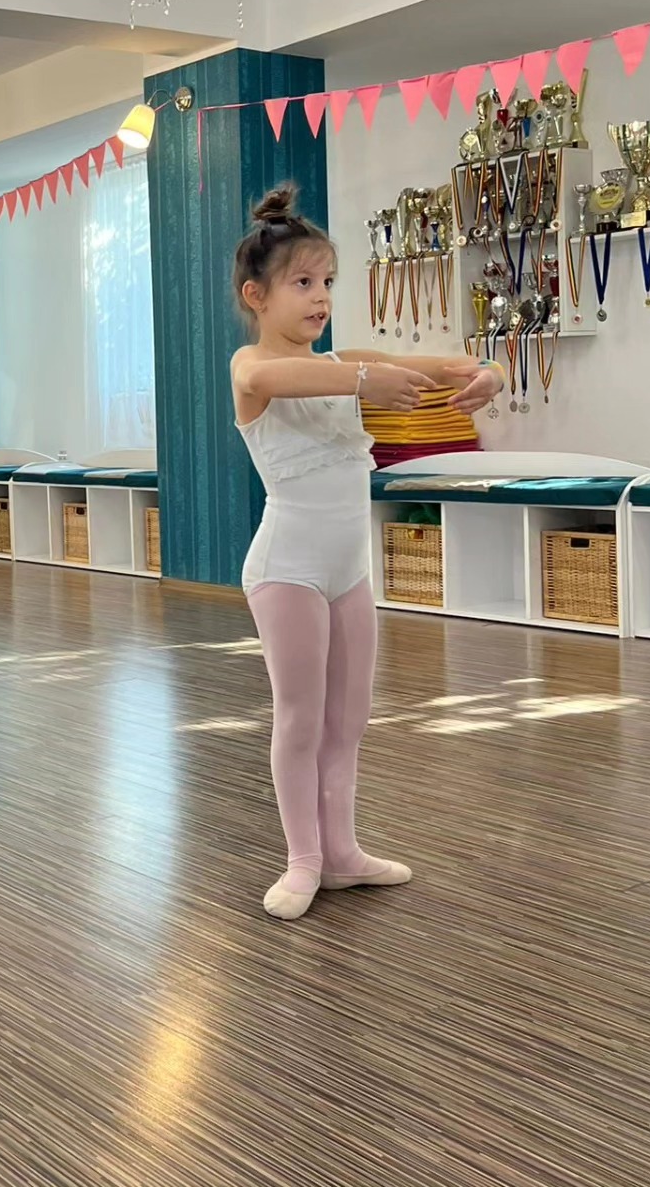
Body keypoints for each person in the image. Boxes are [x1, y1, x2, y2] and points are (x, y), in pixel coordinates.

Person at [230, 185, 503, 922]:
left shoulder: (344, 361)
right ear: (257, 295)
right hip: (287, 570)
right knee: (300, 718)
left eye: (327, 281)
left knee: (349, 718)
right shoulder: (252, 366)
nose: (320, 296)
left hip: (348, 572)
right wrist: (361, 378)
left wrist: (489, 373)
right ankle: (303, 860)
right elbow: (268, 378)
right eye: (302, 282)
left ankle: (342, 853)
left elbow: (448, 364)